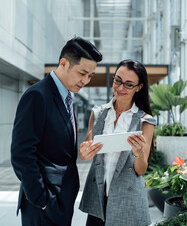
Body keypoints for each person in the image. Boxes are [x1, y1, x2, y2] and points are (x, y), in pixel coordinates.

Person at [11, 36, 102, 226]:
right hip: (43, 205)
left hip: (60, 201)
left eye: (90, 76)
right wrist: (42, 200)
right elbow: (22, 154)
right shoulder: (37, 95)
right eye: (82, 73)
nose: (85, 80)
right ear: (64, 63)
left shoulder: (67, 97)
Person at [79, 59, 156, 226]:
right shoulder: (98, 114)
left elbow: (140, 170)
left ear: (139, 87)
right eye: (118, 80)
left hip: (127, 200)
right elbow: (86, 150)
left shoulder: (145, 121)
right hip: (98, 198)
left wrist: (138, 152)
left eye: (129, 84)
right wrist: (84, 153)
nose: (120, 88)